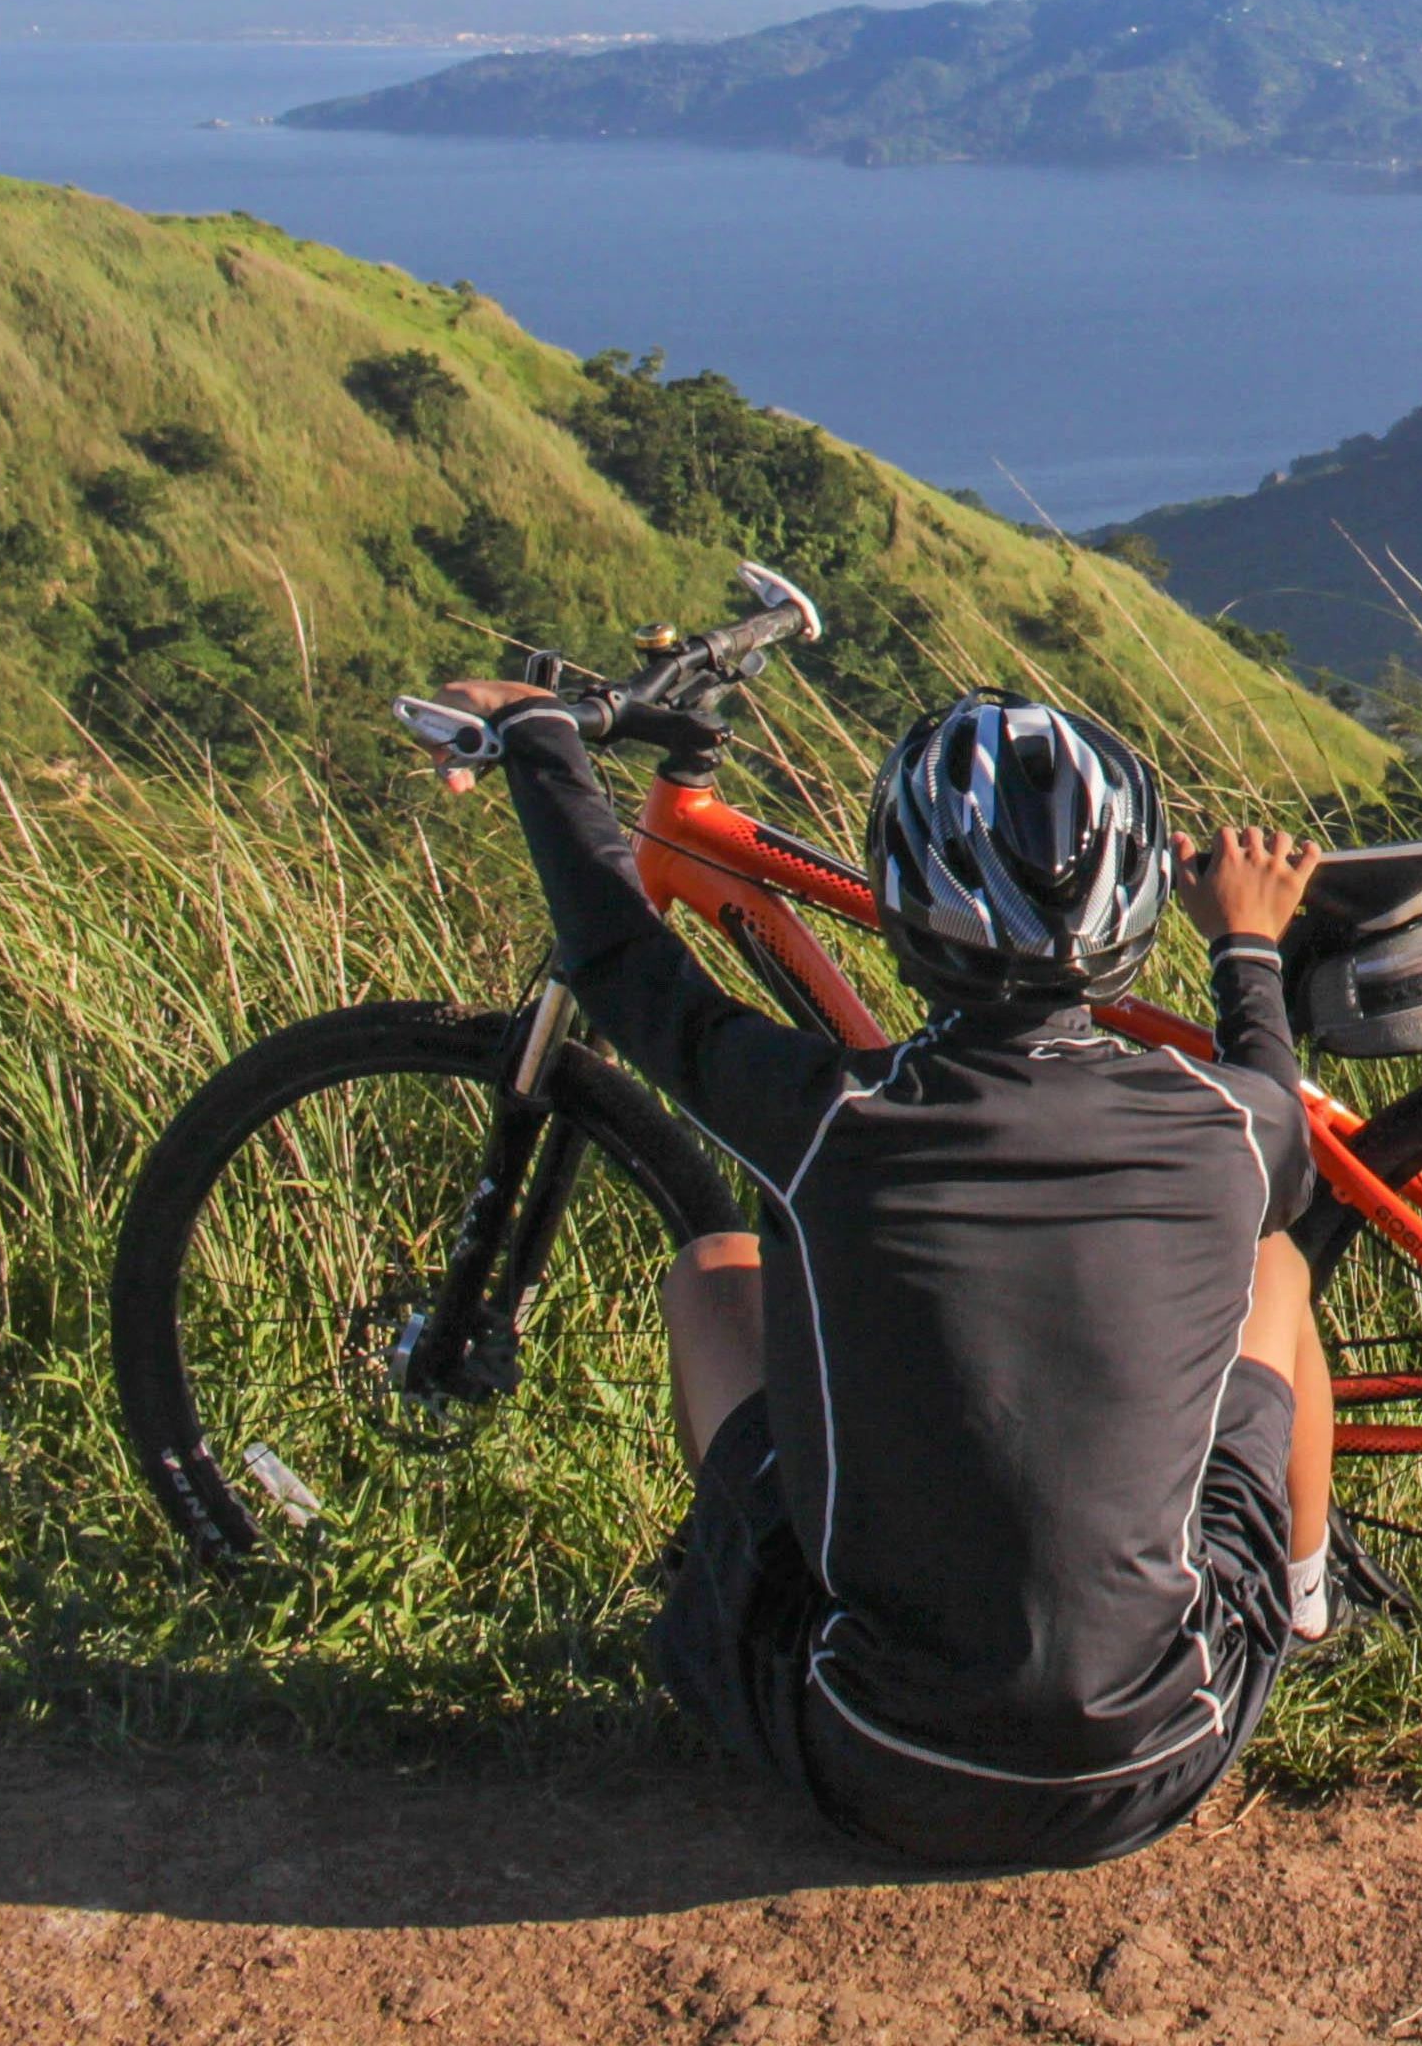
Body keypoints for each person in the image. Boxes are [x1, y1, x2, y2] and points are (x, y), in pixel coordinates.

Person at [427, 672, 1342, 1869]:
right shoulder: (1233, 1126)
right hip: (1162, 1753)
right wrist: (1248, 942)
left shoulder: (822, 1116)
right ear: (1134, 916)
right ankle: (1307, 1596)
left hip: (876, 1759)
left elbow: (616, 950)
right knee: (1274, 1267)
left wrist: (544, 737)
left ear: (904, 911)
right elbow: (1272, 1087)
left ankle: (752, 1597)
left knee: (712, 1271)